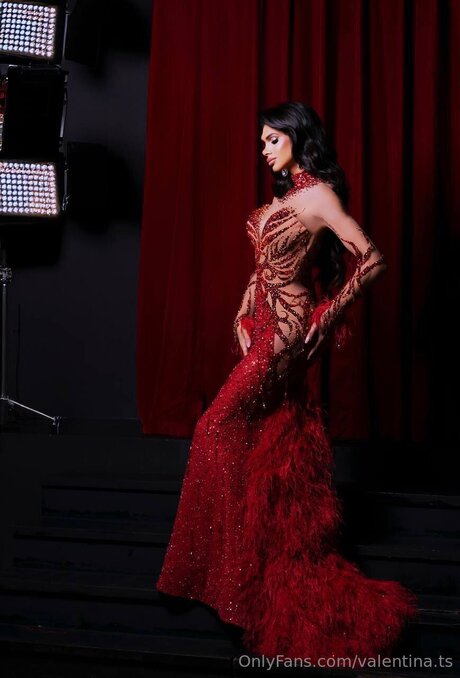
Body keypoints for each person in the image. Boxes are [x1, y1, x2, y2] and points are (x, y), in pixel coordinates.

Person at [156, 102, 418, 662]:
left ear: (298, 138)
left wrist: (329, 313)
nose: (264, 149)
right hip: (261, 321)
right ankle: (245, 564)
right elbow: (265, 265)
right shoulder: (284, 197)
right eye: (262, 141)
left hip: (286, 330)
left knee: (213, 428)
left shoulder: (319, 195)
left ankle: (235, 583)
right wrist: (242, 304)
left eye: (273, 139)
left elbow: (372, 259)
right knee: (248, 438)